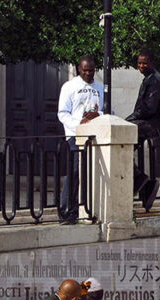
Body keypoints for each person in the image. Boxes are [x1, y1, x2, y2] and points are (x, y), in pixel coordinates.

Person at [57, 56, 103, 224]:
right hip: (75, 135)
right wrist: (78, 125)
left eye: (91, 70)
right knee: (74, 172)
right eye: (85, 70)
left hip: (95, 136)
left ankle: (88, 208)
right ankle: (66, 209)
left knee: (91, 172)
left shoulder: (99, 87)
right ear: (78, 69)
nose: (88, 73)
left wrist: (98, 115)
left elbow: (105, 110)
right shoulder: (70, 87)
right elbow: (62, 113)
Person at [126, 48, 160, 211]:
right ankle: (142, 182)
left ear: (152, 63)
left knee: (121, 142)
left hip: (150, 125)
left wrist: (129, 119)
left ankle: (139, 179)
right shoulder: (150, 79)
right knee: (124, 150)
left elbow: (149, 108)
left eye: (145, 63)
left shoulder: (155, 81)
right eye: (139, 63)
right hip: (148, 124)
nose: (141, 66)